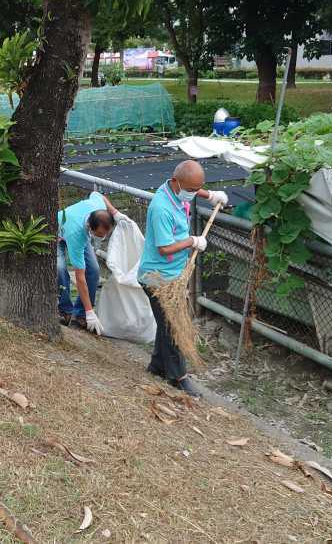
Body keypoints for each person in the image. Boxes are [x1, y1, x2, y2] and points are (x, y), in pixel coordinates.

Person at [137, 160, 228, 396]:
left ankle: (157, 365)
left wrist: (211, 196)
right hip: (157, 278)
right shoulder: (161, 208)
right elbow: (165, 248)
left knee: (166, 322)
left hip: (173, 275)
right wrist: (192, 241)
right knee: (175, 327)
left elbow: (193, 188)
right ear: (176, 182)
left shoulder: (178, 189)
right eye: (190, 189)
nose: (193, 193)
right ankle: (179, 377)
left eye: (197, 189)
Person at [57, 192, 122, 333]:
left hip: (78, 229)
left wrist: (114, 211)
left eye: (105, 234)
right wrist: (90, 311)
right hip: (57, 234)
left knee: (93, 270)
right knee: (60, 269)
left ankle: (80, 314)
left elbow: (97, 194)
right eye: (99, 235)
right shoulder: (77, 235)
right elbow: (80, 277)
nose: (103, 237)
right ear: (90, 228)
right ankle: (65, 310)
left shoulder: (97, 206)